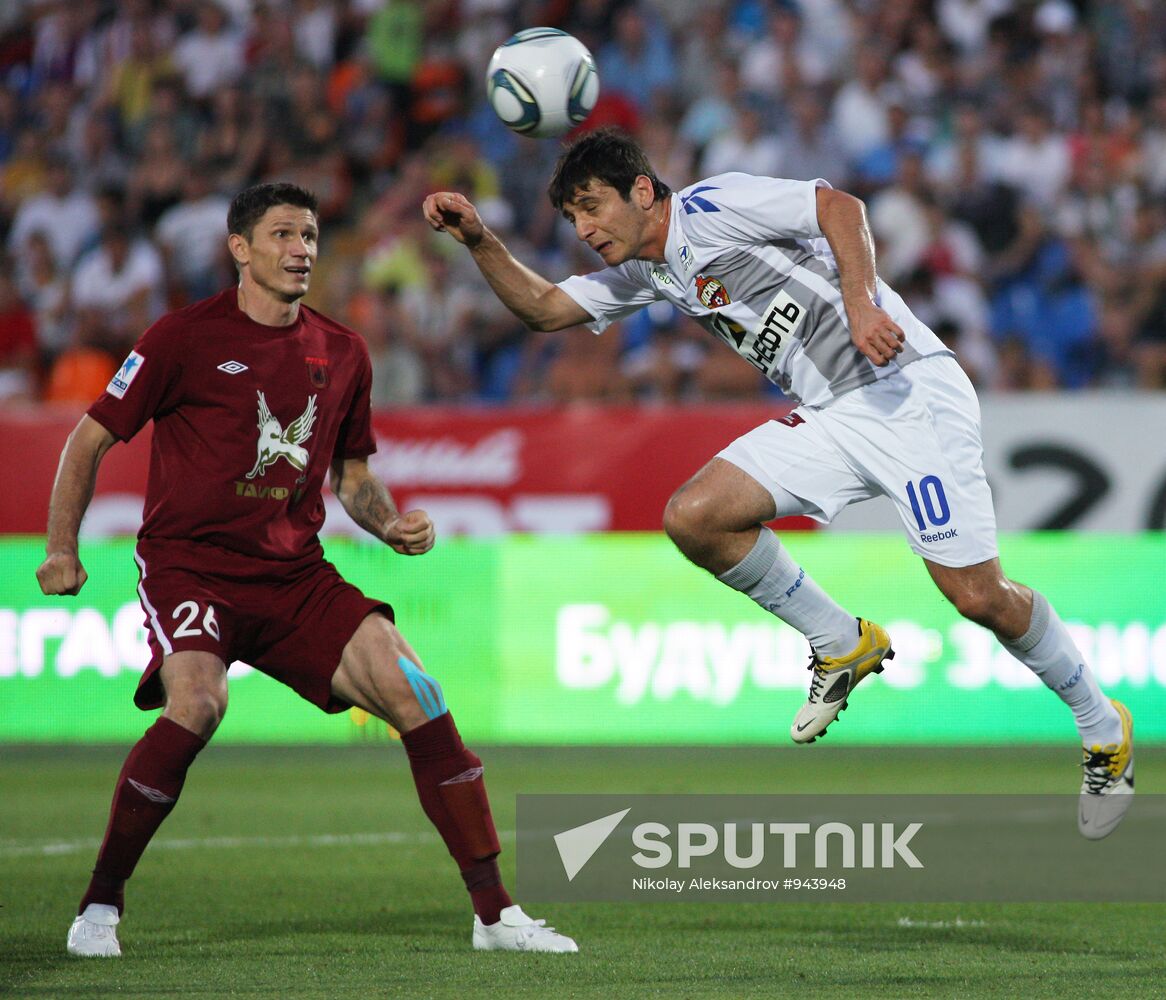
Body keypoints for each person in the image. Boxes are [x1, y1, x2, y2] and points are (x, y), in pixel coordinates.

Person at [423, 127, 1134, 840]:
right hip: (830, 412)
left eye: (591, 206)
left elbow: (841, 208)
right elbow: (546, 309)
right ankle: (840, 640)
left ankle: (1103, 725)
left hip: (902, 391)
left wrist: (860, 303)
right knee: (696, 517)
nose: (583, 228)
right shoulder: (649, 271)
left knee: (977, 594)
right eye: (572, 216)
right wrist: (480, 239)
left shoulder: (714, 206)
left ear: (642, 191)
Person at [37, 182, 576, 958]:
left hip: (294, 576)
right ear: (241, 249)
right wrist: (63, 548)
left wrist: (389, 523)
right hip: (193, 568)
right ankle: (99, 908)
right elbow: (87, 441)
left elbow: (352, 478)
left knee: (417, 692)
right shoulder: (179, 338)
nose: (302, 251)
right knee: (198, 702)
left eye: (312, 236)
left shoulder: (343, 351)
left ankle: (495, 916)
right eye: (284, 235)